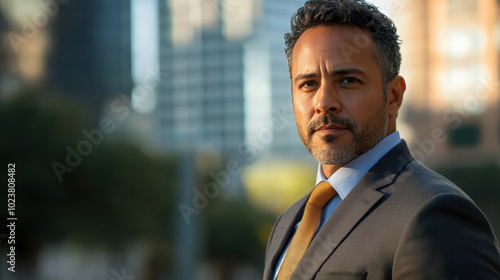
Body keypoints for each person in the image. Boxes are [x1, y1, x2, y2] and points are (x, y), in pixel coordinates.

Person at [263, 0, 500, 279]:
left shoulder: (435, 215)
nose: (324, 102)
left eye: (348, 80)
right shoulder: (287, 223)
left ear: (394, 97)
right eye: (308, 84)